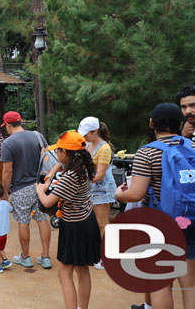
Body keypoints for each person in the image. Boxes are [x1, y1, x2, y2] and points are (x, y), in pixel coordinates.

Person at [116, 103, 195, 309]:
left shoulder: (147, 152)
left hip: (159, 223)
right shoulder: (192, 147)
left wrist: (118, 193)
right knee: (189, 285)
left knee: (160, 283)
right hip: (190, 219)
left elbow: (136, 193)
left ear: (152, 124)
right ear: (180, 123)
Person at [36, 130, 100, 309]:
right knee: (83, 269)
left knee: (64, 273)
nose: (56, 154)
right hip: (87, 221)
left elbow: (47, 201)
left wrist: (40, 189)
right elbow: (59, 166)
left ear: (65, 153)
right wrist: (50, 176)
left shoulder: (70, 177)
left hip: (74, 228)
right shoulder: (84, 168)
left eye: (58, 151)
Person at [0, 111, 52, 269]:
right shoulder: (37, 136)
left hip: (20, 187)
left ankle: (25, 257)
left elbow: (7, 171)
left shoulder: (8, 143)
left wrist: (4, 192)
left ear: (8, 125)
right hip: (40, 186)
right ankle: (46, 256)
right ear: (20, 122)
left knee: (23, 221)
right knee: (42, 219)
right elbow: (47, 158)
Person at [77, 116, 116, 270]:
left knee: (103, 223)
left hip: (102, 189)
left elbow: (99, 174)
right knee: (92, 223)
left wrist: (80, 181)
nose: (84, 137)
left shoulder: (104, 148)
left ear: (95, 131)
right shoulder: (87, 145)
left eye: (86, 134)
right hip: (90, 188)